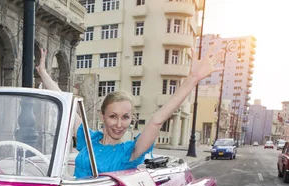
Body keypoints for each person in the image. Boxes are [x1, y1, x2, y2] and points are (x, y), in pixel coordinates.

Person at [35, 48, 224, 177]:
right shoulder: (90, 139)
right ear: (102, 117)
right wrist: (42, 71)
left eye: (125, 117)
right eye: (112, 116)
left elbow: (157, 120)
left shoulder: (130, 152)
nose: (119, 124)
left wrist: (192, 79)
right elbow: (66, 104)